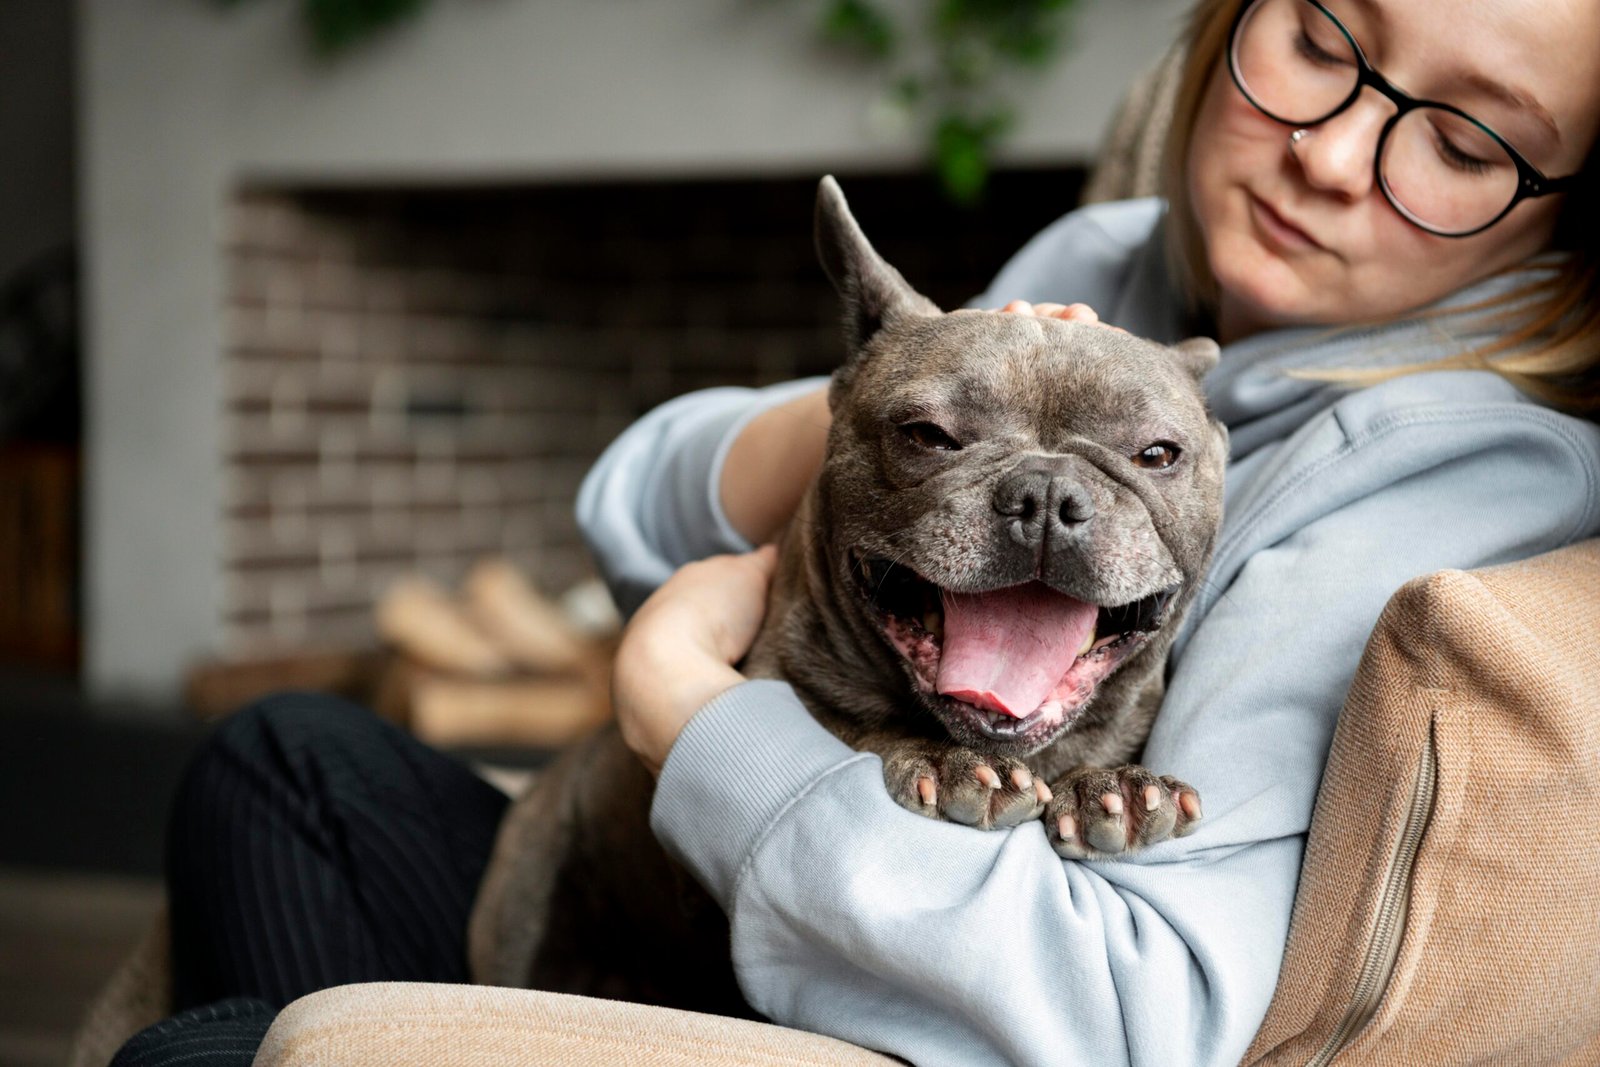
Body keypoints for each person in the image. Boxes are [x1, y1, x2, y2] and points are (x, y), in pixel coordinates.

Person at [110, 0, 1599, 1064]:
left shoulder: (1436, 484)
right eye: (1324, 43)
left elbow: (1142, 1020)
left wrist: (688, 712)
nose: (1333, 155)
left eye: (1467, 143)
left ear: (1563, 218)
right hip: (725, 905)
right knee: (283, 763)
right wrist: (830, 434)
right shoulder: (1111, 267)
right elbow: (633, 501)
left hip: (893, 979)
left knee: (222, 1047)